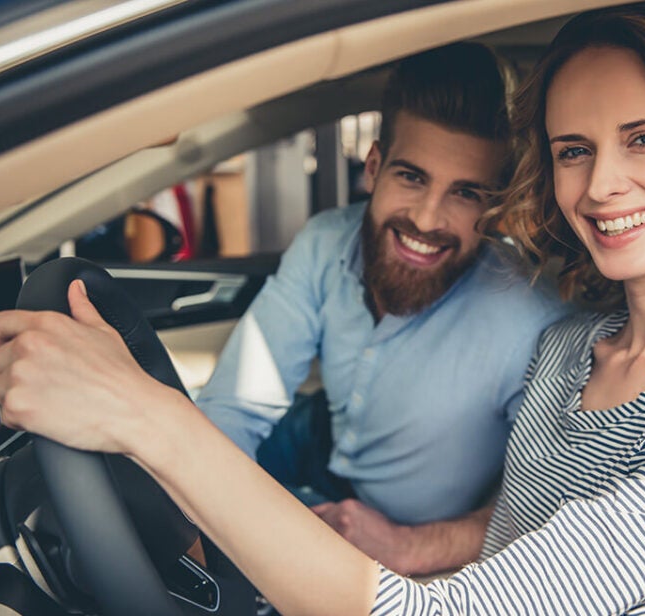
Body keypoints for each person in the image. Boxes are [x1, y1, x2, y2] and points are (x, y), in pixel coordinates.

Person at [0, 1, 645, 614]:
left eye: (644, 138)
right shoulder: (575, 347)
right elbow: (515, 537)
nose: (601, 184)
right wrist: (406, 547)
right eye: (574, 150)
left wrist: (140, 415)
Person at [206, 41, 572, 575]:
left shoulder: (534, 324)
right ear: (374, 167)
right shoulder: (325, 242)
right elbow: (236, 407)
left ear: (493, 204)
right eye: (412, 177)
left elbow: (547, 512)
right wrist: (190, 518)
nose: (427, 218)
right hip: (315, 438)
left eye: (465, 193)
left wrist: (413, 547)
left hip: (406, 524)